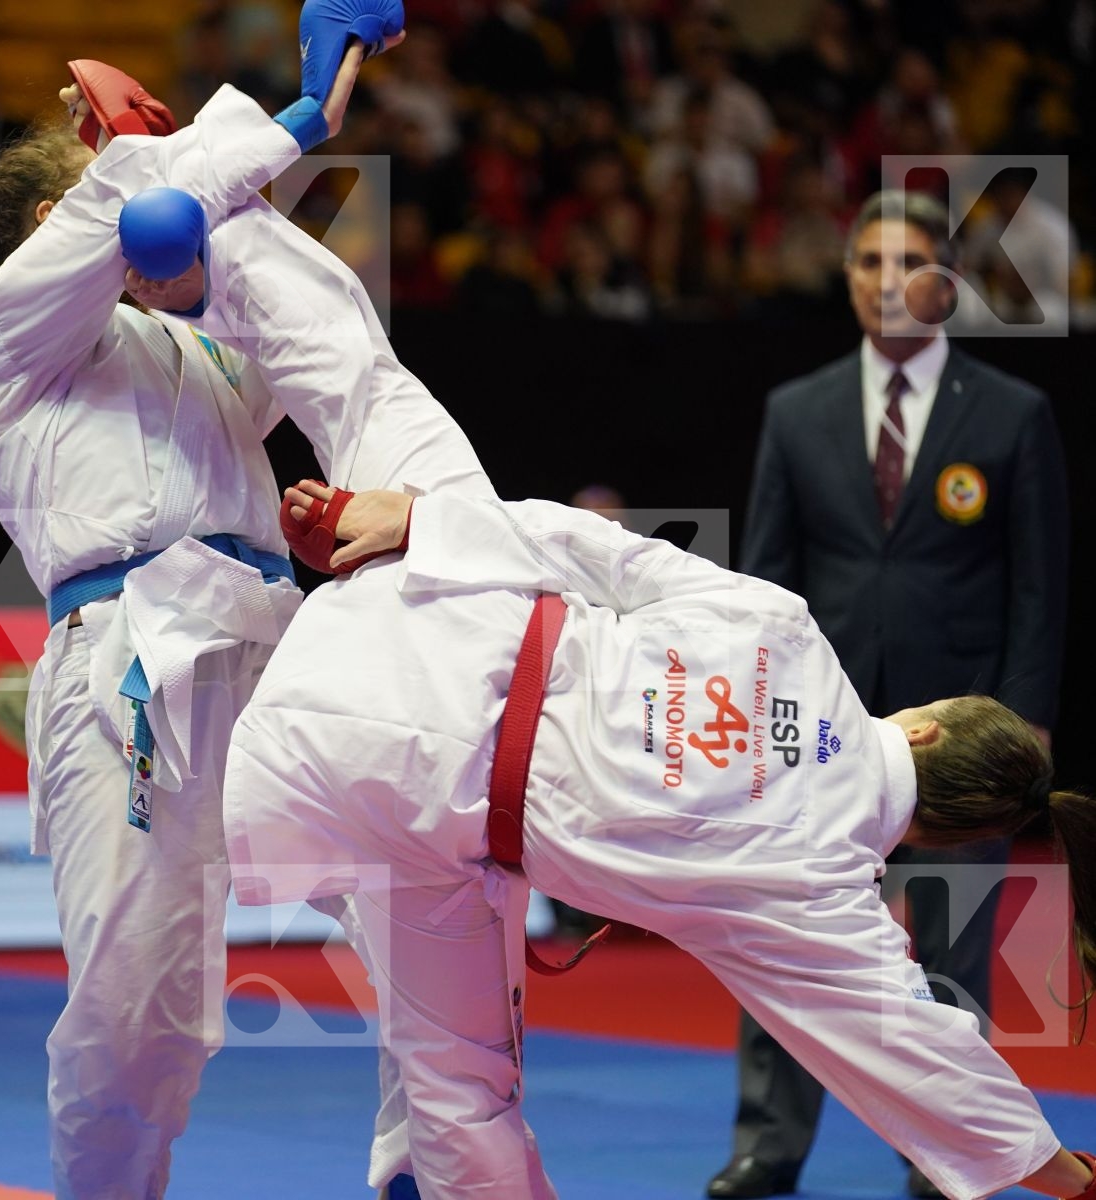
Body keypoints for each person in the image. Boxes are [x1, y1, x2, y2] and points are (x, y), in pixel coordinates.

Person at [220, 481, 1096, 1200]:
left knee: (446, 1031)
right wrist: (1064, 1173)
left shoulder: (787, 626)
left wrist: (421, 520)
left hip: (410, 626)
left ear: (927, 726)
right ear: (940, 839)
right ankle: (417, 1163)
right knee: (465, 1082)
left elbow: (598, 549)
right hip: (388, 787)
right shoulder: (820, 897)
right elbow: (912, 1048)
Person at [0, 9, 427, 1194]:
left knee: (420, 888)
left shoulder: (197, 346)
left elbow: (303, 317)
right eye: (110, 167)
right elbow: (137, 211)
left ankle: (426, 1161)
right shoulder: (10, 336)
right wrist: (289, 118)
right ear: (51, 221)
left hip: (275, 642)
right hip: (133, 663)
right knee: (137, 1010)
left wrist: (310, 122)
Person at [711, 188, 1070, 1200]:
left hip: (959, 728)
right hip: (818, 732)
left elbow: (1040, 583)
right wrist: (761, 717)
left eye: (906, 262)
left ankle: (945, 1153)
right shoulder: (797, 410)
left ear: (945, 283)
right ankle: (767, 1145)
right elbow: (765, 579)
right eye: (867, 262)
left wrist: (1023, 720)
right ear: (847, 278)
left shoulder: (1010, 413)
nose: (884, 281)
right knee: (784, 937)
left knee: (950, 943)